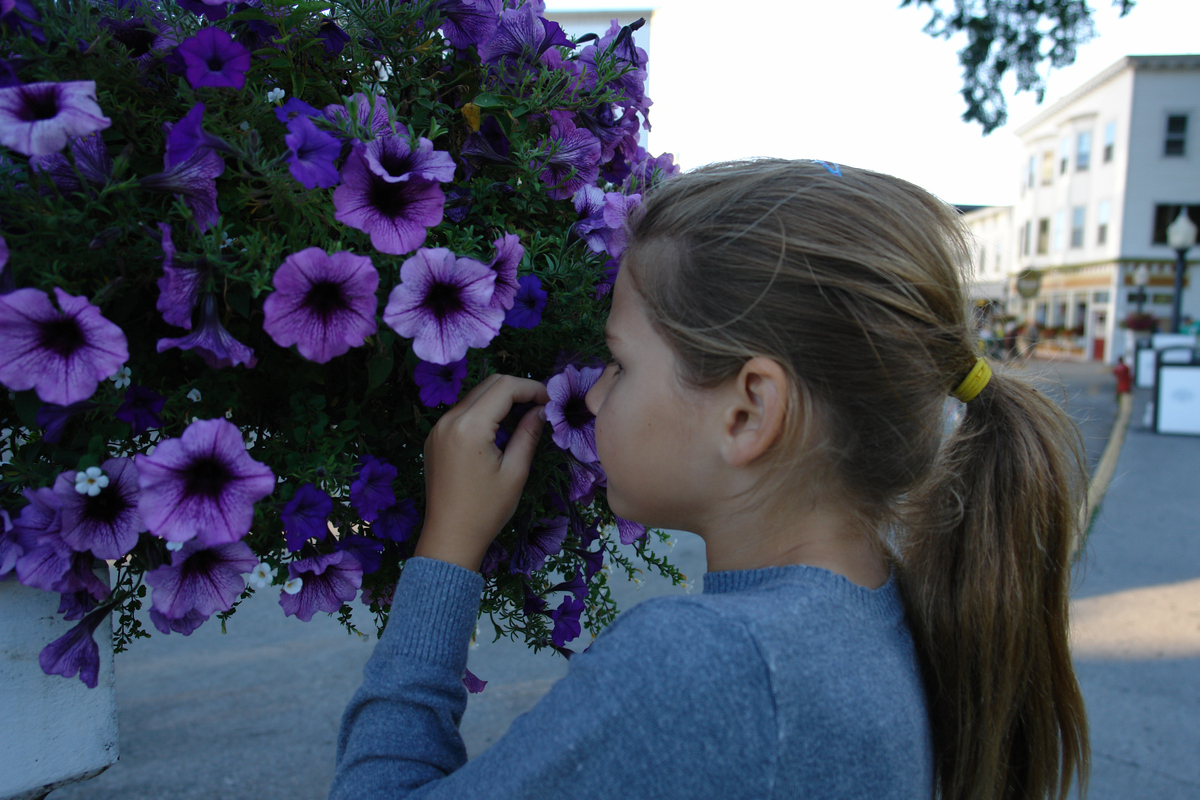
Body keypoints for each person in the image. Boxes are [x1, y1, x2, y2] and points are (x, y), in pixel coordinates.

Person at [330, 160, 1090, 800]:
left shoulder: (711, 668)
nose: (592, 396)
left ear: (748, 410)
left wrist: (447, 550)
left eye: (621, 363)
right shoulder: (882, 616)